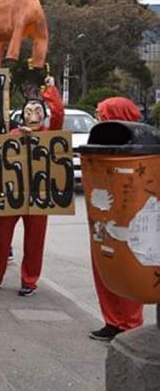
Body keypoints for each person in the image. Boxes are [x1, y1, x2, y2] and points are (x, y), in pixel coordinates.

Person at [0, 78, 64, 296]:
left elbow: (59, 113)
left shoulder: (50, 135)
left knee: (35, 240)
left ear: (43, 114)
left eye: (37, 109)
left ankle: (29, 281)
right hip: (13, 194)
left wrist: (50, 90)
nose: (33, 113)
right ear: (22, 115)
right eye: (29, 109)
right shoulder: (13, 135)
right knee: (1, 236)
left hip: (38, 196)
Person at [88, 96, 144, 341]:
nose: (98, 118)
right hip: (102, 214)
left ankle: (130, 324)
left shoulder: (140, 143)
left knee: (128, 271)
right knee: (104, 268)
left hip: (129, 217)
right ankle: (112, 321)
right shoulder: (99, 140)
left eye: (102, 113)